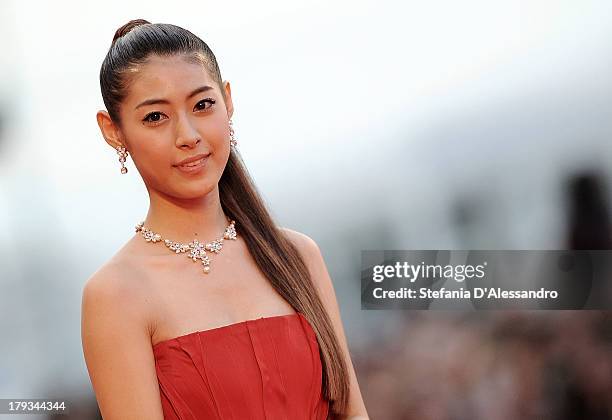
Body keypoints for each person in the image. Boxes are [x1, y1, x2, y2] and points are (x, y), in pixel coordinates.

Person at [80, 19, 369, 420]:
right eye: (155, 118)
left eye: (202, 105)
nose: (188, 134)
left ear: (227, 101)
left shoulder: (297, 257)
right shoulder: (115, 297)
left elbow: (353, 412)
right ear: (113, 132)